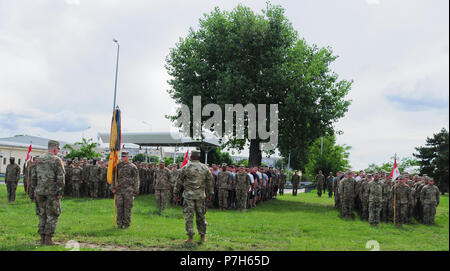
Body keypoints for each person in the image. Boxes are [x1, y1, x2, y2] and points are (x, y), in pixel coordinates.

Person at [174, 151, 213, 244]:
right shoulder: (205, 168)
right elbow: (210, 182)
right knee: (201, 216)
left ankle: (190, 238)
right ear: (199, 157)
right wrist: (210, 194)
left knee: (189, 216)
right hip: (200, 196)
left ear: (191, 157)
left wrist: (176, 194)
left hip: (188, 196)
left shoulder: (186, 167)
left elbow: (179, 182)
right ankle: (203, 236)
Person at [33, 140, 65, 245]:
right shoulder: (56, 160)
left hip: (39, 192)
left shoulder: (38, 159)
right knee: (52, 214)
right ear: (55, 149)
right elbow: (61, 178)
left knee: (42, 214)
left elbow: (33, 176)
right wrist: (60, 192)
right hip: (52, 193)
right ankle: (48, 239)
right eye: (58, 149)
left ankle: (42, 238)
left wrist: (34, 190)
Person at [111, 151, 139, 229]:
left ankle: (127, 224)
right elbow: (114, 177)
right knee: (119, 208)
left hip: (129, 191)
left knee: (127, 208)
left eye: (125, 156)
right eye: (122, 156)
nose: (123, 158)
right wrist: (113, 187)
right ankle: (119, 224)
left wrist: (135, 190)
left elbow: (136, 179)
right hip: (119, 190)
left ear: (128, 157)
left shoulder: (133, 166)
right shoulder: (117, 166)